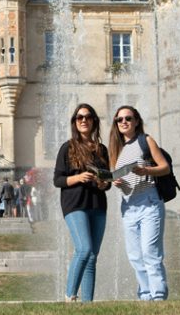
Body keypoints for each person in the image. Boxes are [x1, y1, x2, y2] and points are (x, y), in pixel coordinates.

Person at [109, 105, 170, 301]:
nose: (124, 122)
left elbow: (164, 168)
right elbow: (119, 179)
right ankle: (145, 294)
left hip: (149, 201)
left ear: (136, 121)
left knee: (150, 252)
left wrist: (147, 171)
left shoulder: (146, 140)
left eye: (128, 118)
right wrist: (116, 181)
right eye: (120, 119)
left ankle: (158, 295)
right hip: (128, 205)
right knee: (135, 255)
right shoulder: (116, 149)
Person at [53, 103, 111, 302]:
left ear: (94, 121)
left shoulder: (102, 149)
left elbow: (107, 184)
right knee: (84, 249)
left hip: (98, 204)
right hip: (75, 204)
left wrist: (103, 183)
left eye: (88, 117)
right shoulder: (67, 147)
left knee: (93, 256)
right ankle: (70, 296)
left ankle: (88, 303)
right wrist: (78, 178)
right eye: (79, 117)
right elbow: (58, 180)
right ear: (75, 122)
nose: (84, 120)